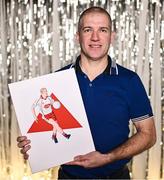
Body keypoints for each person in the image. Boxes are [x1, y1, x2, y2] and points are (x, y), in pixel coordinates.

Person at [17, 6, 156, 179]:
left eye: (103, 30)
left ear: (112, 36)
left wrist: (108, 158)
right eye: (88, 29)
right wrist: (33, 145)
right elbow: (43, 129)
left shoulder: (129, 80)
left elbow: (148, 135)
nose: (95, 37)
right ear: (77, 36)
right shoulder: (56, 80)